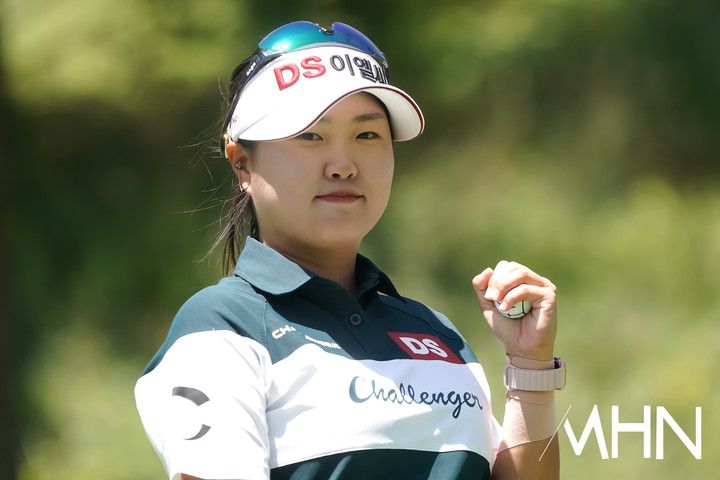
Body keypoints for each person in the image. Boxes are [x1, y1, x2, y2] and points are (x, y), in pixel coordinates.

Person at [134, 20, 565, 480]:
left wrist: (530, 367)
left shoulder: (436, 334)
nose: (343, 166)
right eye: (309, 136)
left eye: (367, 136)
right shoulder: (220, 326)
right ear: (242, 162)